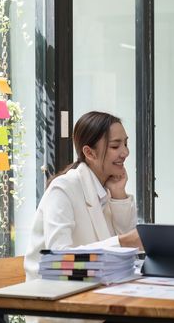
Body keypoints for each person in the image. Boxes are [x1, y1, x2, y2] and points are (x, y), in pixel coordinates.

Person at [24, 111, 141, 281]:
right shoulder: (62, 189)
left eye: (125, 143)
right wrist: (123, 242)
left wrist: (119, 196)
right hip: (52, 296)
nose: (125, 152)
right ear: (89, 153)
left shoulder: (107, 187)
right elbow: (60, 258)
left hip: (94, 289)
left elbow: (129, 256)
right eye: (115, 146)